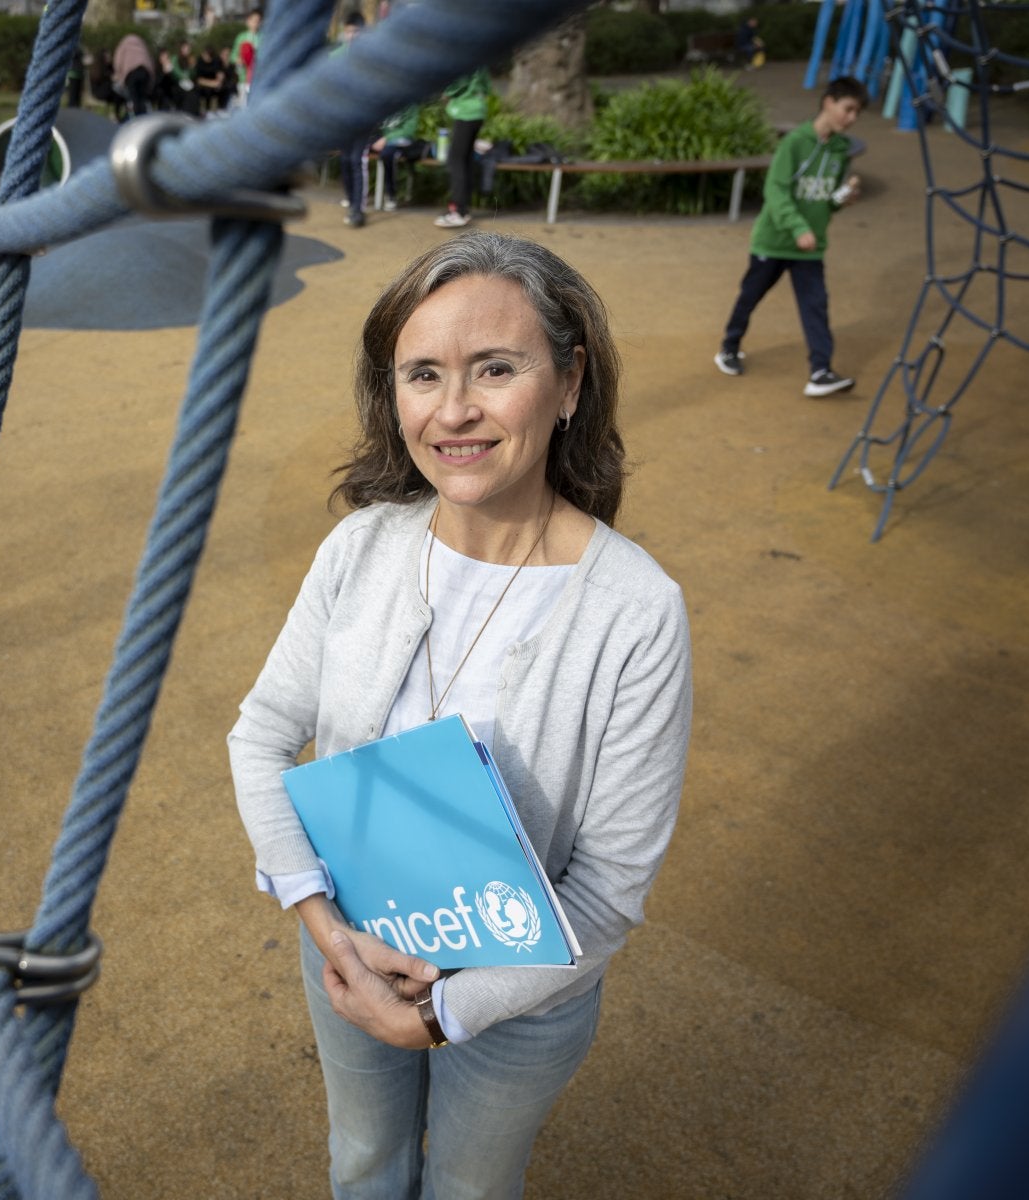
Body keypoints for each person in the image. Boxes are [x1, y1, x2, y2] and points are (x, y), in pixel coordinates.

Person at [230, 232, 693, 1200]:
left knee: (470, 1191)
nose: (454, 411)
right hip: (350, 953)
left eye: (495, 369)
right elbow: (264, 730)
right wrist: (327, 930)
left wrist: (446, 1014)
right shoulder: (361, 547)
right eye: (423, 374)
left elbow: (608, 890)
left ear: (569, 383)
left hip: (520, 1001)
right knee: (363, 1163)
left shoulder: (637, 611)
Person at [715, 75, 867, 397]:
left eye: (857, 113)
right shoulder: (795, 142)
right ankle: (729, 347)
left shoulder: (840, 151)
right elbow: (776, 190)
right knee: (750, 296)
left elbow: (827, 201)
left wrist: (843, 198)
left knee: (816, 306)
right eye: (848, 109)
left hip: (810, 249)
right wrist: (798, 228)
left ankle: (821, 371)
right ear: (828, 102)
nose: (851, 118)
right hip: (773, 242)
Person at [435, 66, 490, 228]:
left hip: (465, 112)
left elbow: (456, 83)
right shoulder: (481, 58)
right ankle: (463, 209)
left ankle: (458, 211)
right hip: (478, 110)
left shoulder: (464, 54)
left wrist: (446, 91)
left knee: (455, 160)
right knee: (466, 159)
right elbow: (486, 87)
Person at [333, 12, 371, 227]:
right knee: (345, 160)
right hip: (343, 118)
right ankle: (350, 200)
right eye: (348, 31)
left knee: (357, 160)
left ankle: (358, 209)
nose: (352, 35)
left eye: (356, 31)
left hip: (364, 118)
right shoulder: (337, 56)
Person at [373, 103, 424, 210]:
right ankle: (354, 196)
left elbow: (409, 131)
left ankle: (391, 196)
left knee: (387, 154)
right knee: (355, 149)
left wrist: (386, 138)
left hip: (401, 141)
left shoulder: (411, 104)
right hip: (381, 139)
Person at [112, 33, 156, 121]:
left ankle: (136, 119)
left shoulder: (124, 45)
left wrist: (118, 74)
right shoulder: (142, 45)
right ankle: (143, 117)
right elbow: (150, 62)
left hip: (131, 73)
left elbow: (118, 61)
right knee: (142, 98)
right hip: (145, 72)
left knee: (133, 97)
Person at [232, 8, 262, 105]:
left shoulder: (263, 37)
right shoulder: (241, 37)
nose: (255, 24)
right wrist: (238, 60)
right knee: (243, 104)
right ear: (248, 21)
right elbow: (233, 55)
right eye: (253, 21)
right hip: (243, 77)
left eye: (258, 21)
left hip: (257, 77)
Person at [194, 43, 225, 114]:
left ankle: (221, 109)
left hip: (213, 86)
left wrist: (218, 81)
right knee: (203, 90)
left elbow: (220, 76)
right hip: (203, 86)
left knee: (224, 88)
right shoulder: (200, 61)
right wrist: (212, 83)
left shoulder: (216, 61)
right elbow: (199, 80)